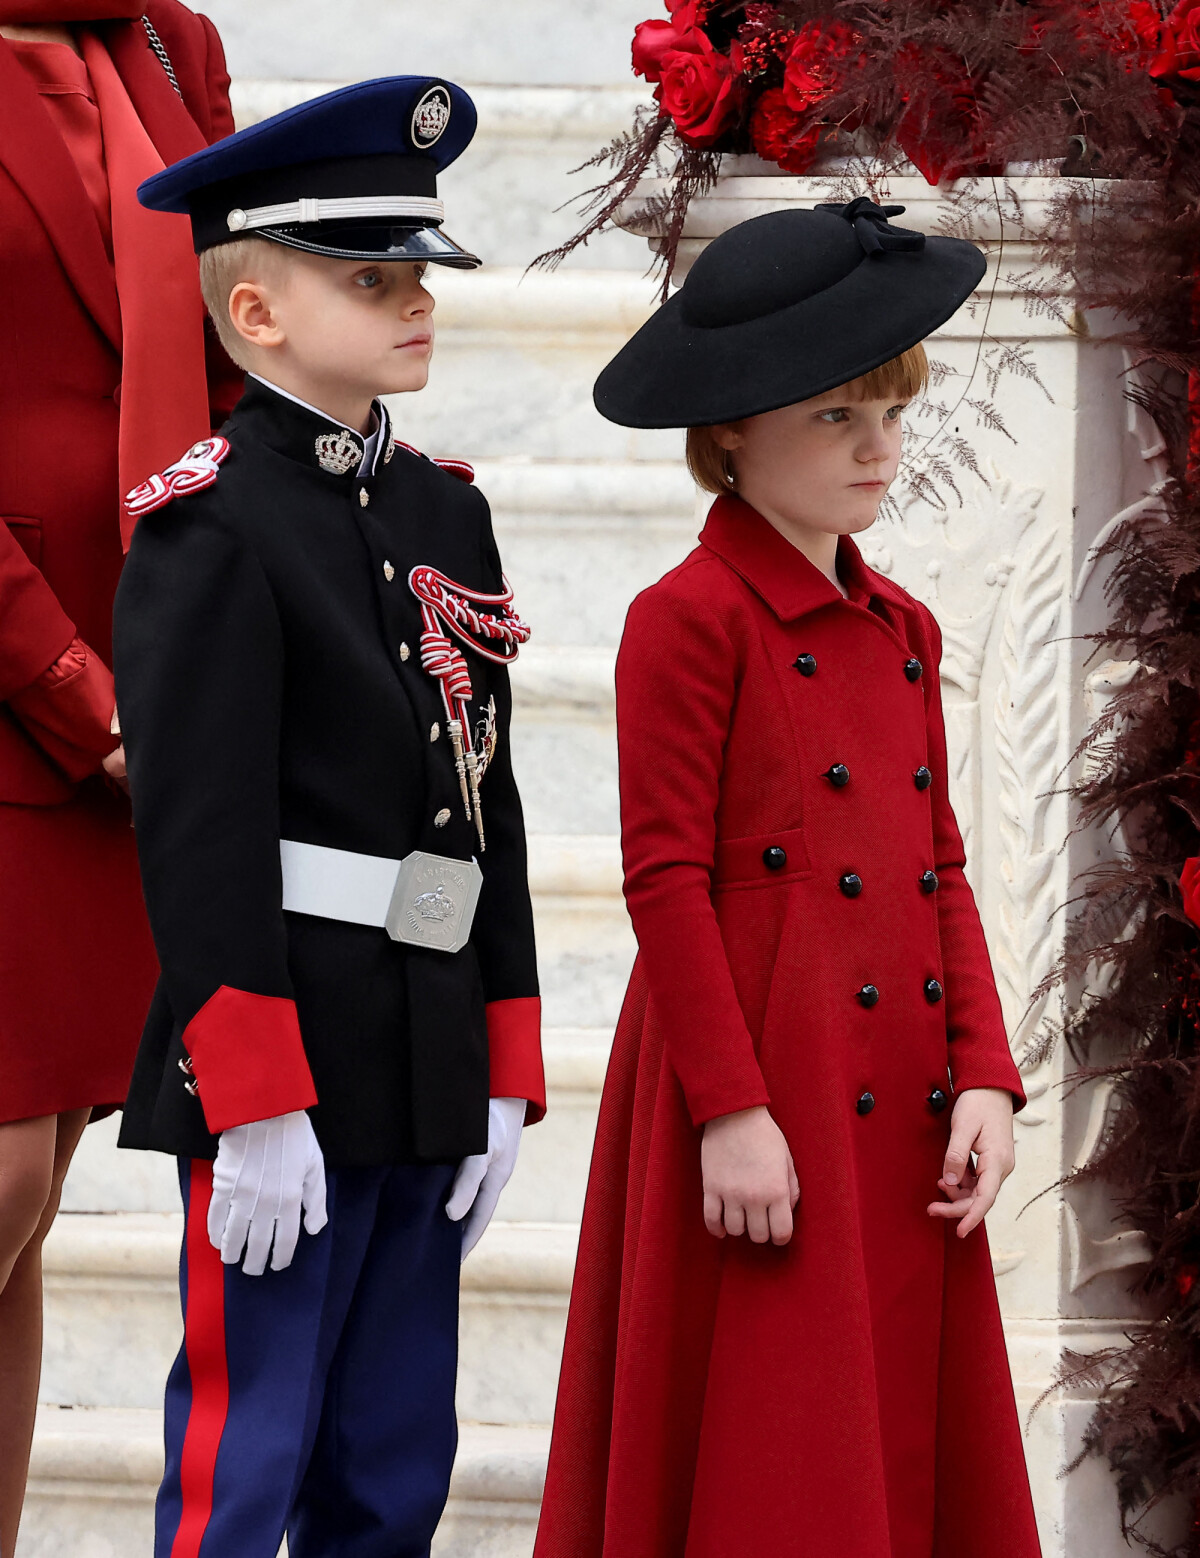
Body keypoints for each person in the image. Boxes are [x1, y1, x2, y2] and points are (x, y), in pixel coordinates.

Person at [534, 199, 1042, 1558]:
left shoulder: (907, 630)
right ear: (732, 434)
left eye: (889, 410)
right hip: (765, 1085)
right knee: (779, 1438)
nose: (880, 447)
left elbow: (940, 858)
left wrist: (985, 1069)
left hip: (899, 1092)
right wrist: (731, 1109)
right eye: (835, 417)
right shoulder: (685, 622)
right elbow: (664, 881)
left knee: (898, 1427)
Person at [110, 77, 544, 1558]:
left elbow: (491, 804)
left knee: (395, 1446)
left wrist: (505, 1056)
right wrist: (251, 1096)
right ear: (257, 316)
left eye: (421, 272)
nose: (417, 301)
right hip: (284, 1053)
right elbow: (199, 830)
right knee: (256, 1451)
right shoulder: (215, 525)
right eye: (373, 277)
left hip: (424, 1044)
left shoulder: (444, 514)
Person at [0, 5, 238, 1551]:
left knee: (25, 1217)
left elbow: (248, 336)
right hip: (22, 693)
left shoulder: (172, 44)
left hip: (151, 695)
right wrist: (86, 703)